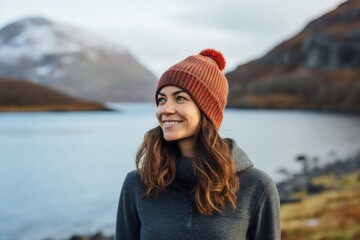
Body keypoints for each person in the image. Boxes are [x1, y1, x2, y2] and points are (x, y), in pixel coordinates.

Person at [115, 48, 280, 240]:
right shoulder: (137, 184)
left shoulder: (256, 187)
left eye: (180, 98)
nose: (165, 109)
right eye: (162, 100)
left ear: (207, 110)